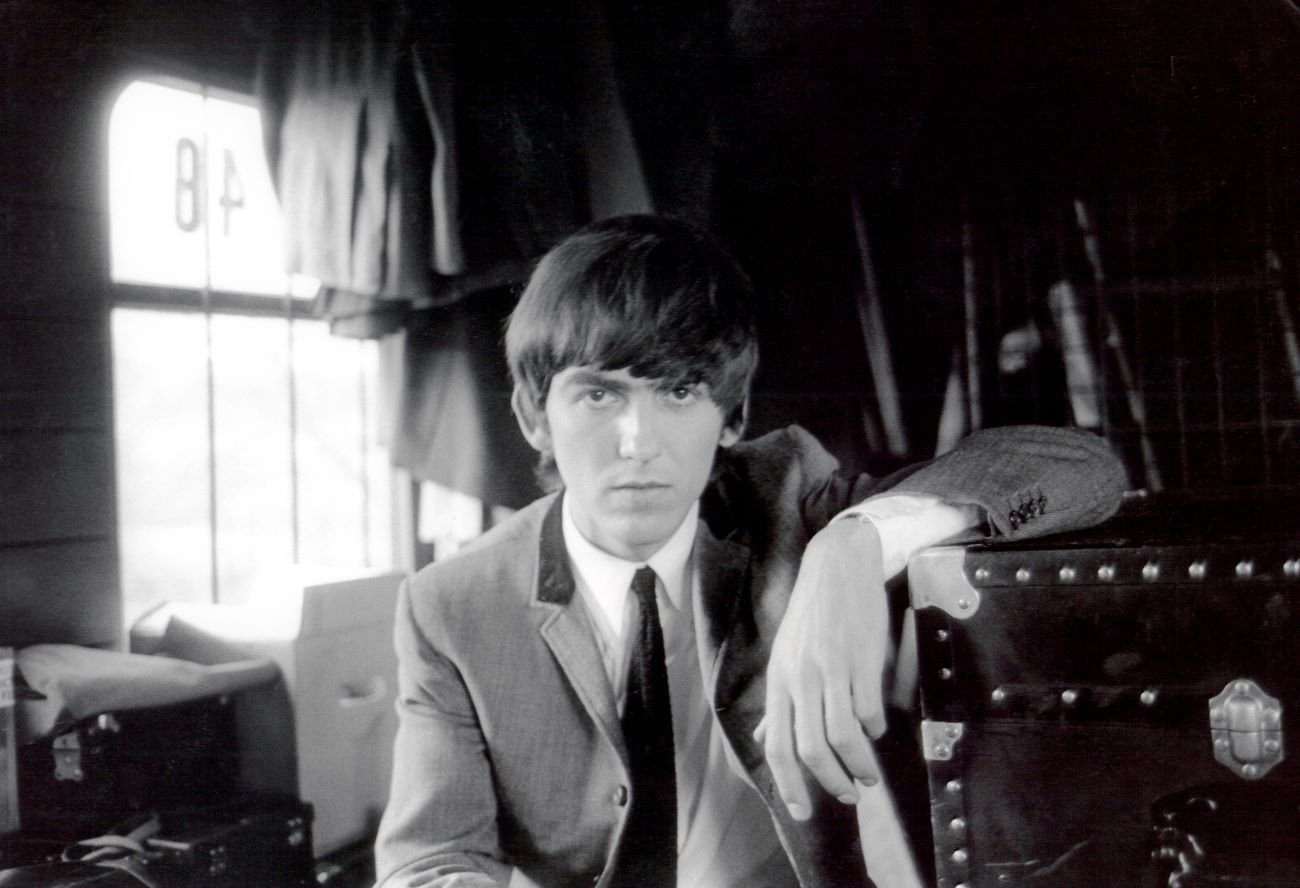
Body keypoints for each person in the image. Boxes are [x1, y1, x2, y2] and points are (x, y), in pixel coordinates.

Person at [374, 214, 1126, 888]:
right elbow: (428, 861)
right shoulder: (451, 605)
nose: (637, 445)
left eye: (677, 394)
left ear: (731, 417)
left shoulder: (788, 505)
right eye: (599, 396)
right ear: (534, 417)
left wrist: (855, 544)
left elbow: (1081, 469)